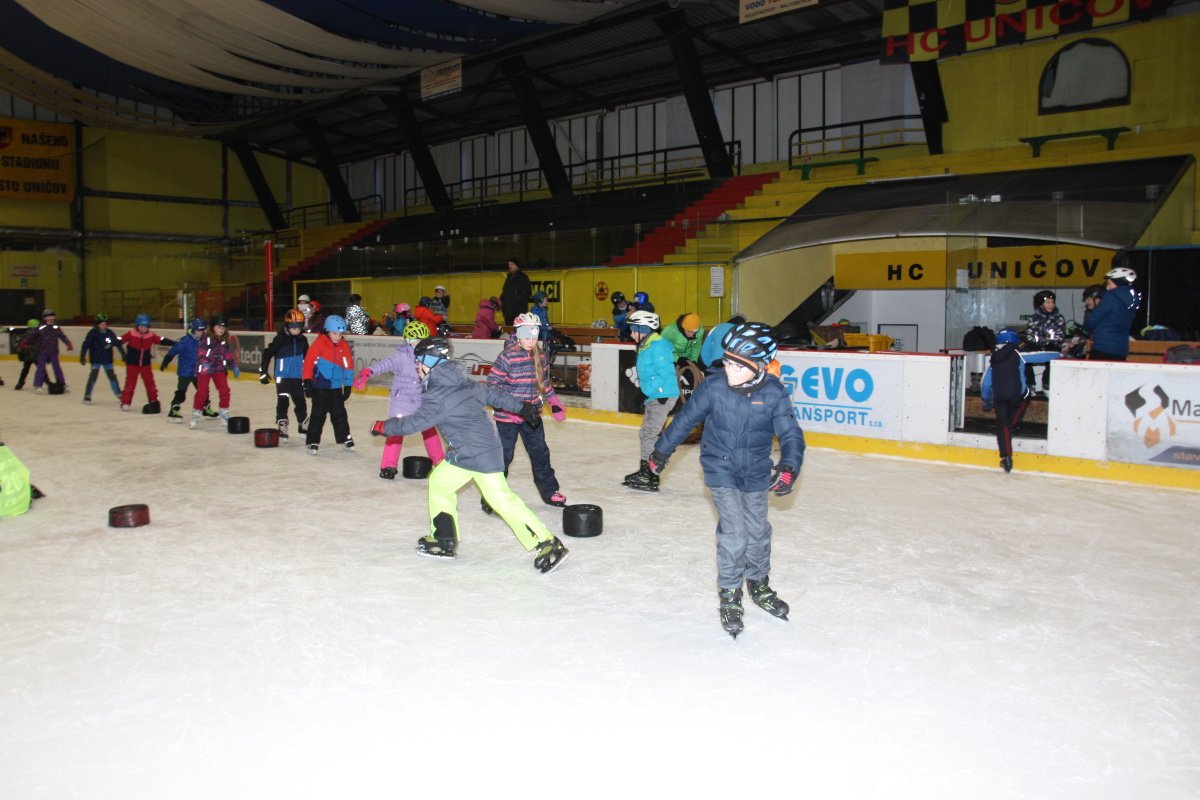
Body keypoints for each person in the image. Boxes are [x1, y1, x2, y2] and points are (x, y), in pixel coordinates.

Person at [646, 322, 805, 639]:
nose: (730, 369)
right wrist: (662, 450)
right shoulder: (714, 387)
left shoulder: (773, 393)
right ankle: (730, 594)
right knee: (734, 532)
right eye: (728, 361)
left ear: (759, 366)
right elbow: (686, 420)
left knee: (758, 531)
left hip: (756, 469)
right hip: (719, 467)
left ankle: (758, 583)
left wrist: (789, 465)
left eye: (738, 365)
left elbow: (791, 433)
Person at [368, 336, 568, 573]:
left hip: (481, 455)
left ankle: (547, 543)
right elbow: (494, 395)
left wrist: (384, 426)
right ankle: (443, 538)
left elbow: (413, 423)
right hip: (464, 454)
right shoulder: (465, 383)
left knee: (501, 500)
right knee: (440, 482)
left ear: (429, 362)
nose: (417, 367)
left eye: (418, 362)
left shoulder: (438, 396)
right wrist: (523, 407)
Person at [486, 312, 569, 509]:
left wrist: (553, 401)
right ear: (517, 334)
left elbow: (544, 382)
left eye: (534, 336)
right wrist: (512, 409)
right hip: (507, 418)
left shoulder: (539, 355)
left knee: (540, 453)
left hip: (531, 415)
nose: (530, 341)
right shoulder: (506, 358)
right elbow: (492, 388)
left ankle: (550, 491)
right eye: (526, 335)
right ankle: (492, 496)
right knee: (504, 457)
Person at [353, 319, 445, 480]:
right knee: (396, 431)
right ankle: (388, 466)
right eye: (417, 341)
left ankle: (439, 462)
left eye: (423, 340)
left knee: (429, 429)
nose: (420, 344)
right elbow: (385, 364)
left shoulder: (428, 356)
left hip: (420, 398)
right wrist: (368, 372)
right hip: (401, 398)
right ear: (409, 341)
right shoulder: (401, 356)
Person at [981, 327, 1059, 473]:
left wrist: (987, 399)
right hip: (1017, 395)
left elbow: (985, 383)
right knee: (1027, 394)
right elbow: (1043, 356)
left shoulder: (993, 359)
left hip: (999, 397)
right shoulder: (1019, 353)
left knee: (1002, 426)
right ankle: (1013, 424)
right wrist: (1061, 354)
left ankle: (1006, 458)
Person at [622, 309, 679, 492]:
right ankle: (645, 470)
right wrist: (645, 393)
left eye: (634, 329)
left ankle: (651, 475)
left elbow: (664, 374)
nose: (631, 334)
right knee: (646, 433)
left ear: (644, 329)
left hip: (662, 394)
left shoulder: (658, 345)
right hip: (655, 394)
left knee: (649, 434)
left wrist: (650, 391)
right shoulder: (646, 345)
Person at [301, 315, 355, 454]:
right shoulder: (319, 343)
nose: (338, 337)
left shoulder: (344, 346)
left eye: (341, 334)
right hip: (320, 386)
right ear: (327, 331)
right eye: (335, 333)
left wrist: (348, 385)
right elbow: (308, 362)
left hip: (336, 386)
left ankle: (345, 438)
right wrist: (307, 381)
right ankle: (312, 441)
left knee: (340, 413)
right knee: (318, 414)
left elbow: (348, 366)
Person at [259, 308, 310, 439]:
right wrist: (263, 371)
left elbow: (308, 358)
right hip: (283, 377)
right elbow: (268, 353)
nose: (296, 330)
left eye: (298, 327)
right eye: (293, 327)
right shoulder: (280, 339)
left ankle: (303, 424)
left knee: (300, 401)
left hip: (297, 376)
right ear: (287, 326)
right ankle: (282, 423)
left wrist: (309, 377)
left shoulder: (303, 340)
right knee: (283, 400)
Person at [161, 317, 218, 423]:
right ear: (192, 329)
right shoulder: (185, 341)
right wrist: (166, 360)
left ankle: (206, 409)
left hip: (199, 371)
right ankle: (174, 410)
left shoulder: (205, 341)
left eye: (203, 330)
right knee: (181, 392)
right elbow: (173, 350)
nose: (201, 333)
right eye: (199, 330)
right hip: (185, 372)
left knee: (203, 391)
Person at [189, 314, 240, 428]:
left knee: (225, 390)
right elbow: (201, 352)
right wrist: (205, 363)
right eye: (218, 327)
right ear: (212, 327)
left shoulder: (224, 339)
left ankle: (224, 412)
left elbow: (227, 354)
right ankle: (196, 413)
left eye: (223, 327)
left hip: (218, 368)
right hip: (205, 368)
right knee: (202, 392)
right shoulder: (206, 338)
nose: (221, 330)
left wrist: (233, 365)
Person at [1084, 264, 1143, 361]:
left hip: (1102, 346)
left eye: (1109, 284)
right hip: (1121, 348)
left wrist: (1086, 328)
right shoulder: (1133, 300)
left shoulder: (1110, 297)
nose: (1107, 288)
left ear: (1117, 283)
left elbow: (1093, 320)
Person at [119, 313, 174, 413]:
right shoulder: (131, 334)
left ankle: (154, 400)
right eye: (141, 326)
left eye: (145, 327)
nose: (143, 329)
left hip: (145, 364)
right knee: (130, 384)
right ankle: (125, 402)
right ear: (137, 326)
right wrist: (113, 341)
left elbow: (161, 339)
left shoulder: (151, 335)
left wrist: (173, 343)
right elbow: (121, 339)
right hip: (132, 364)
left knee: (150, 383)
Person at [1022, 290, 1066, 396]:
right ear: (1041, 304)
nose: (1051, 305)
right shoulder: (1033, 318)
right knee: (1023, 359)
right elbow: (1029, 335)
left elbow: (1060, 335)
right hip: (1035, 347)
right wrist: (1037, 342)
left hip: (1052, 347)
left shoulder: (1058, 318)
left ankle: (1047, 384)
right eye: (1048, 302)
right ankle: (1030, 384)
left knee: (1053, 362)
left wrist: (1049, 342)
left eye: (1052, 302)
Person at [79, 313, 125, 403]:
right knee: (93, 376)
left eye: (105, 324)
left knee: (112, 376)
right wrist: (82, 355)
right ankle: (87, 395)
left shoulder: (110, 333)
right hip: (95, 359)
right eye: (102, 324)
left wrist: (123, 353)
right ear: (97, 324)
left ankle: (119, 393)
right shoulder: (92, 333)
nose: (104, 326)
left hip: (107, 359)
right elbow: (86, 344)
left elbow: (117, 343)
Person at [29, 309, 74, 393]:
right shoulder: (40, 327)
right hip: (42, 351)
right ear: (44, 319)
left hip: (53, 351)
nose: (51, 319)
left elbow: (62, 336)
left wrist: (68, 343)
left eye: (52, 318)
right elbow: (32, 336)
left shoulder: (55, 327)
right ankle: (37, 384)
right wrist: (26, 342)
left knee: (57, 368)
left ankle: (62, 383)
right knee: (41, 368)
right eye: (49, 318)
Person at [500, 257, 532, 325]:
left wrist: (515, 302)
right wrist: (501, 302)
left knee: (518, 329)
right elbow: (504, 292)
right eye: (509, 264)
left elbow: (526, 293)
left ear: (517, 265)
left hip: (518, 312)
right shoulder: (508, 278)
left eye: (512, 264)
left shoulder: (523, 278)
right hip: (508, 312)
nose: (510, 266)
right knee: (509, 328)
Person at [10, 319, 39, 390]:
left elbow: (21, 346)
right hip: (33, 355)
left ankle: (20, 383)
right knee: (40, 369)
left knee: (25, 370)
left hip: (28, 356)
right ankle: (47, 382)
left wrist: (21, 354)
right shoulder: (35, 334)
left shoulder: (26, 334)